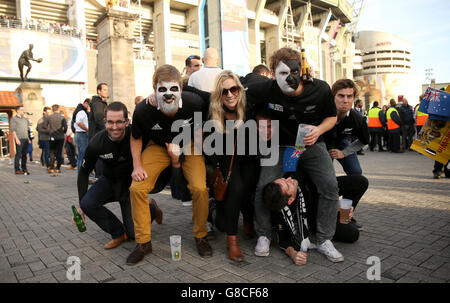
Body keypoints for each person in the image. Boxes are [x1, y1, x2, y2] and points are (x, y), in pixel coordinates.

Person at [245, 47, 342, 262]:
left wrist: (319, 130)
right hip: (279, 145)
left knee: (329, 185)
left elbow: (331, 117)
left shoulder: (320, 89)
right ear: (272, 72)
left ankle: (325, 239)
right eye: (282, 73)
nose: (289, 78)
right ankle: (264, 235)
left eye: (294, 72)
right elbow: (236, 95)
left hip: (311, 143)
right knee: (263, 186)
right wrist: (258, 119)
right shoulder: (263, 89)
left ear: (301, 69)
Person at [128, 64, 212, 265]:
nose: (168, 94)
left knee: (200, 188)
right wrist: (137, 165)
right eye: (162, 89)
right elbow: (136, 137)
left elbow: (209, 106)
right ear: (155, 91)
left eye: (173, 89)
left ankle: (201, 235)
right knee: (137, 188)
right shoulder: (143, 109)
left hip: (188, 144)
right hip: (159, 147)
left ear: (181, 90)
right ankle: (143, 242)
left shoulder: (194, 102)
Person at [74, 102, 163, 250]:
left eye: (119, 122)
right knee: (86, 203)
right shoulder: (96, 142)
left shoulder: (137, 134)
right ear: (105, 122)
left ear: (127, 122)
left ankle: (152, 209)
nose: (114, 127)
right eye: (110, 122)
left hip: (130, 185)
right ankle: (118, 233)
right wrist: (80, 205)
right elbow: (83, 173)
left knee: (134, 234)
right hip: (109, 182)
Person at [203, 70, 259, 262]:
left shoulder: (249, 106)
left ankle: (249, 221)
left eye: (233, 89)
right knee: (236, 189)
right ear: (218, 94)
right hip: (228, 159)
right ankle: (232, 242)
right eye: (224, 91)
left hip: (250, 157)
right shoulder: (213, 113)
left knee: (248, 190)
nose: (229, 94)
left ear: (239, 89)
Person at [263, 173, 368, 265]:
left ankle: (345, 215)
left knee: (360, 181)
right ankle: (334, 219)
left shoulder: (296, 176)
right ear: (290, 199)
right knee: (353, 234)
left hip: (320, 189)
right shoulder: (279, 210)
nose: (289, 178)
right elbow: (283, 240)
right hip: (315, 215)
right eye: (287, 183)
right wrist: (293, 254)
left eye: (284, 179)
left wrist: (342, 206)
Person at [324, 79, 370, 176]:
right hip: (321, 144)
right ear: (333, 97)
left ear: (353, 98)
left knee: (356, 173)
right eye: (341, 96)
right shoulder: (322, 113)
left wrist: (344, 153)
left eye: (349, 96)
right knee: (326, 175)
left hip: (341, 142)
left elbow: (364, 140)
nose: (345, 100)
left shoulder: (358, 119)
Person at [89, 83, 108, 177]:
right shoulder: (98, 103)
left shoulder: (100, 103)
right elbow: (99, 119)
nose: (106, 91)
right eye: (104, 90)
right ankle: (100, 179)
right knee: (100, 158)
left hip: (98, 134)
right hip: (98, 135)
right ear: (99, 91)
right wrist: (108, 131)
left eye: (107, 90)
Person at [47, 104, 67, 173]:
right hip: (60, 137)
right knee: (59, 152)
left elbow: (46, 126)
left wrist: (50, 132)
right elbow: (65, 127)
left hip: (52, 137)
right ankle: (58, 168)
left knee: (52, 152)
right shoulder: (62, 118)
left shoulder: (50, 117)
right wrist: (63, 132)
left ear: (52, 110)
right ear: (58, 109)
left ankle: (51, 168)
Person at [11, 105, 31, 174]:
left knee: (24, 155)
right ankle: (17, 169)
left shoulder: (24, 119)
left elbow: (26, 129)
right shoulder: (14, 119)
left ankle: (24, 168)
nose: (23, 111)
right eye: (22, 110)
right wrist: (16, 139)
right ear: (18, 111)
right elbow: (13, 130)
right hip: (19, 139)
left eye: (23, 110)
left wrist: (28, 138)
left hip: (25, 139)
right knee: (18, 155)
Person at [73, 98, 90, 172]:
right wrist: (87, 130)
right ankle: (81, 173)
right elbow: (79, 122)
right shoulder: (82, 111)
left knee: (81, 155)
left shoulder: (79, 110)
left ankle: (81, 172)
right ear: (86, 103)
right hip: (82, 134)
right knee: (82, 156)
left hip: (79, 134)